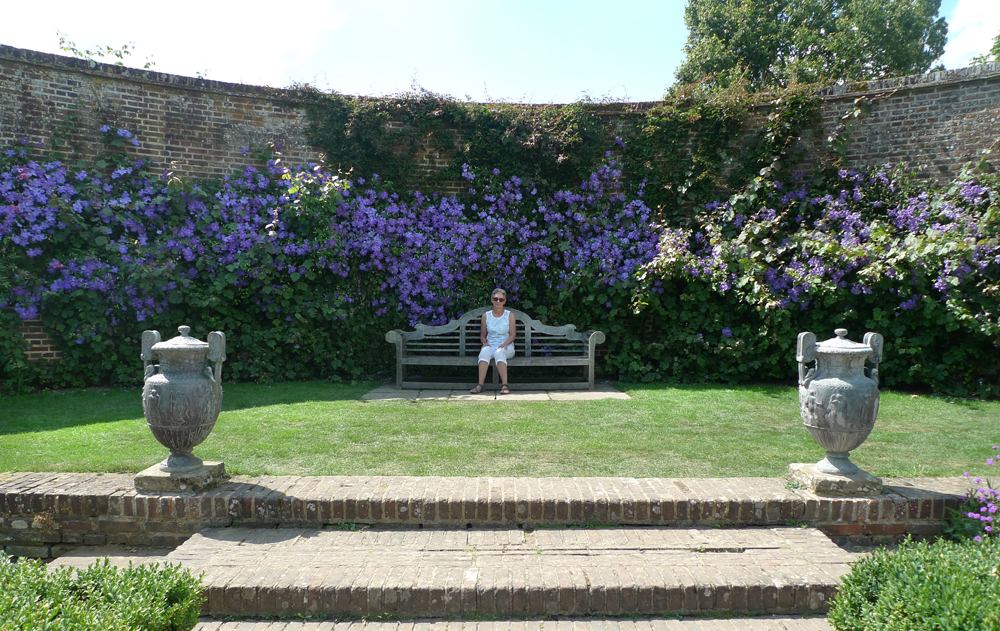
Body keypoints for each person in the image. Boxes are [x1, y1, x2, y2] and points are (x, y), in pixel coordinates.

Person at [470, 288, 516, 394]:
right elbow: (482, 335)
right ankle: (480, 385)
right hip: (491, 345)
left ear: (504, 301)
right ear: (492, 300)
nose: (498, 301)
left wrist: (505, 344)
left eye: (501, 299)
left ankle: (505, 385)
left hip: (506, 346)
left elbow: (513, 335)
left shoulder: (510, 315)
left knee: (499, 352)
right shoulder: (486, 316)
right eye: (496, 299)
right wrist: (484, 343)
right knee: (484, 352)